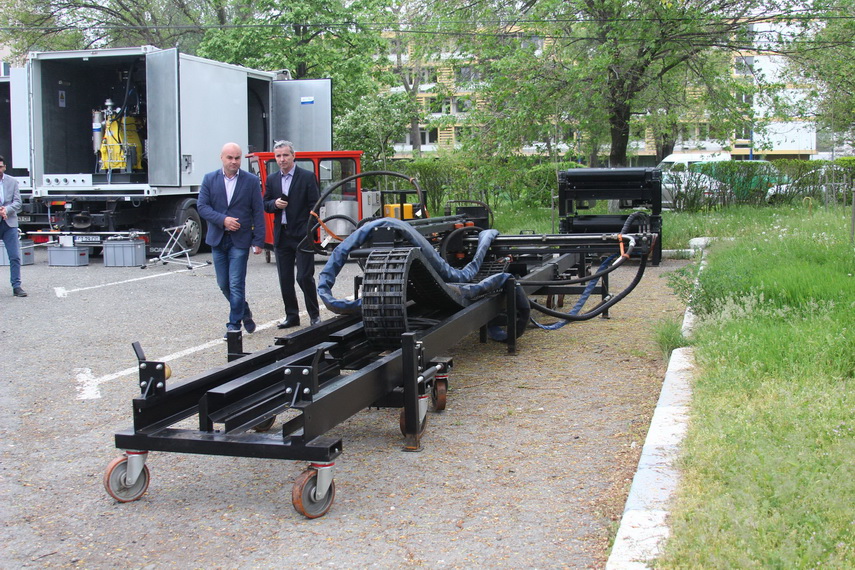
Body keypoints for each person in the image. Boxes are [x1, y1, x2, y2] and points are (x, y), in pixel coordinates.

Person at [198, 142, 265, 337]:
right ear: (222, 158)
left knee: (236, 283)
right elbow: (202, 207)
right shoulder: (209, 179)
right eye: (230, 158)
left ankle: (233, 324)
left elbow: (257, 211)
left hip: (240, 241)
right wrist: (223, 220)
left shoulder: (250, 181)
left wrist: (259, 240)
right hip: (218, 239)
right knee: (223, 284)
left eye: (237, 158)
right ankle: (244, 311)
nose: (234, 161)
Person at [263, 140, 321, 328]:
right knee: (285, 279)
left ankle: (314, 315)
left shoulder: (307, 177)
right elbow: (265, 204)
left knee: (304, 277)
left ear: (293, 156)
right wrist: (274, 204)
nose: (282, 159)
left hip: (302, 235)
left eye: (285, 155)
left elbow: (315, 206)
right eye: (278, 156)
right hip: (282, 235)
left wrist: (309, 230)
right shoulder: (272, 179)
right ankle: (292, 316)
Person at [0, 156, 26, 298]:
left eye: (0, 167)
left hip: (9, 223)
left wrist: (6, 210)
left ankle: (16, 286)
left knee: (14, 256)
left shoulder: (12, 181)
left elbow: (18, 202)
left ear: (4, 167)